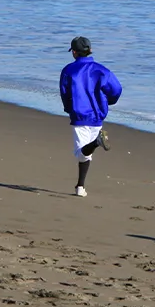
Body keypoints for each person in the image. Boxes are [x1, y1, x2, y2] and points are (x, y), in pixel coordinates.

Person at [60, 36, 122, 197]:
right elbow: (116, 90)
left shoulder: (68, 70)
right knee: (86, 155)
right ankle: (80, 187)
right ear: (90, 50)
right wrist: (108, 102)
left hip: (80, 115)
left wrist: (69, 109)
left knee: (82, 153)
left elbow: (64, 93)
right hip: (97, 114)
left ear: (74, 52)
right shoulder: (102, 70)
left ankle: (96, 142)